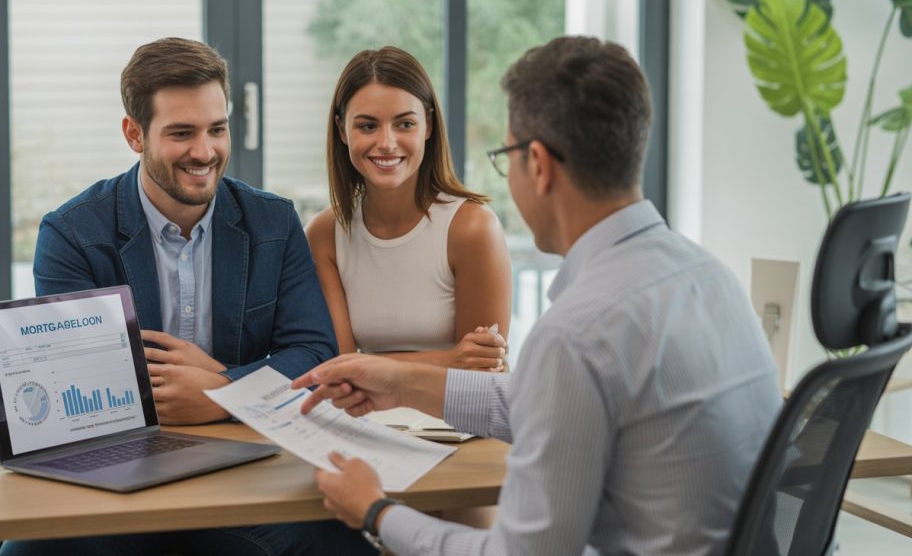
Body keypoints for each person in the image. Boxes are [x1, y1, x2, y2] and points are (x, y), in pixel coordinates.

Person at [292, 36, 782, 556]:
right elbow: (548, 404)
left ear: (540, 165)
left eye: (508, 156)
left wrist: (376, 512)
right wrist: (401, 382)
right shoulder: (713, 279)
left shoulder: (577, 332)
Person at [2, 37, 374, 556]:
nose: (205, 152)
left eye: (216, 129)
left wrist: (220, 389)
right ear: (135, 134)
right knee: (31, 553)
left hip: (245, 466)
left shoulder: (273, 222)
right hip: (121, 474)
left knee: (340, 544)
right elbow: (77, 389)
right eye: (182, 133)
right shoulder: (71, 234)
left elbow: (314, 353)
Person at [305, 46, 511, 372]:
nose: (387, 143)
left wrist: (364, 365)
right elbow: (336, 369)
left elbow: (480, 371)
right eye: (367, 126)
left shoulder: (473, 229)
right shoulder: (325, 234)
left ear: (427, 126)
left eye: (404, 124)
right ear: (342, 130)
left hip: (452, 420)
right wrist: (445, 359)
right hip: (359, 417)